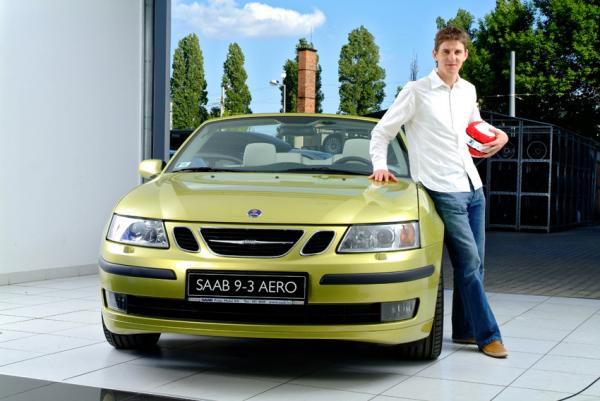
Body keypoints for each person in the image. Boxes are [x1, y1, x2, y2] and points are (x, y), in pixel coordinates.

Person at [368, 26, 509, 358]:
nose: (452, 57)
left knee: (475, 266)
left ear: (465, 55)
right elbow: (382, 131)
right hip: (441, 188)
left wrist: (500, 135)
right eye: (446, 51)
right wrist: (380, 165)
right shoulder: (416, 91)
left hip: (473, 186)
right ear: (435, 54)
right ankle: (488, 335)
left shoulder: (468, 90)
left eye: (457, 52)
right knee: (469, 262)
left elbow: (475, 125)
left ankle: (464, 330)